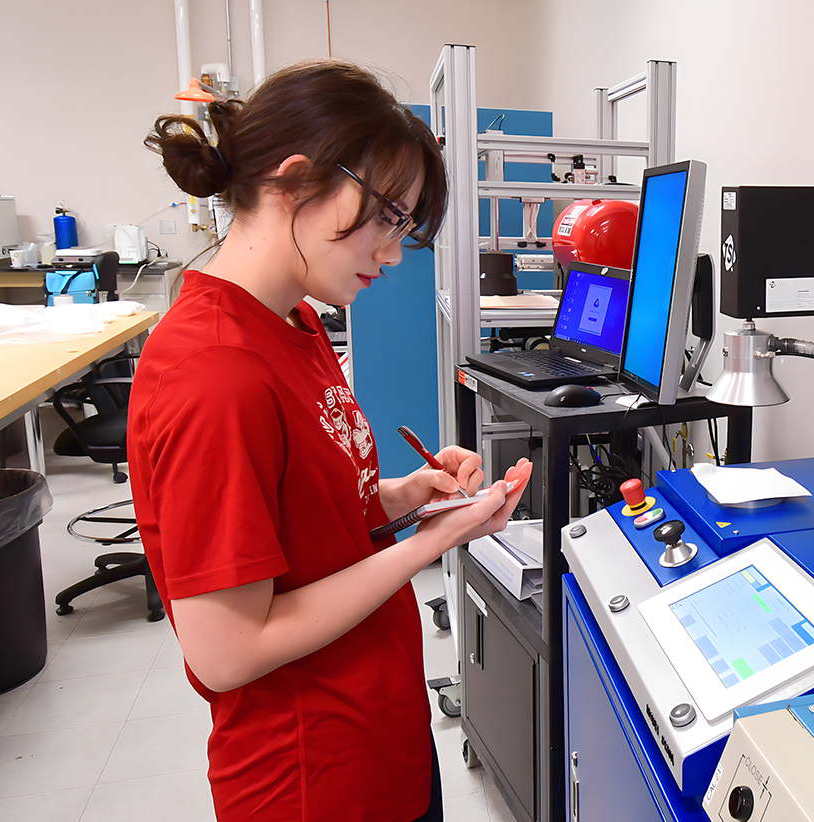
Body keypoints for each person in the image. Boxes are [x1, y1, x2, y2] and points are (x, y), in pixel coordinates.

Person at [130, 59, 532, 822]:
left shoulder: (296, 320)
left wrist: (407, 499)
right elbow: (227, 650)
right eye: (386, 217)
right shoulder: (214, 374)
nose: (391, 252)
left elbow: (300, 511)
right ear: (294, 180)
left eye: (403, 226)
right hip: (312, 777)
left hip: (379, 732)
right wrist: (425, 546)